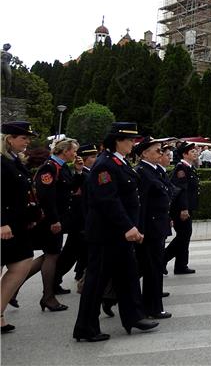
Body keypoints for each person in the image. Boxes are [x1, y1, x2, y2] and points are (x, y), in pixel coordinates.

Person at [73, 122, 158, 342]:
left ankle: (134, 317)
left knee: (128, 275)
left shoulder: (119, 162)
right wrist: (128, 227)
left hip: (119, 233)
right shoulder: (105, 165)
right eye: (129, 140)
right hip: (106, 234)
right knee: (96, 281)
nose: (133, 143)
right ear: (117, 141)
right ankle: (86, 327)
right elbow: (107, 200)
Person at [24, 137, 79, 312]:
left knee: (50, 255)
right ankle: (48, 297)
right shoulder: (50, 167)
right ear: (64, 151)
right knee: (52, 255)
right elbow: (46, 197)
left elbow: (69, 189)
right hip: (50, 220)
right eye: (73, 150)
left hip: (58, 219)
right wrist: (54, 220)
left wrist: (78, 172)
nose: (75, 154)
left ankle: (15, 287)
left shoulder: (62, 167)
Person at [1, 121, 39, 334]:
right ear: (9, 139)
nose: (27, 142)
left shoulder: (14, 161)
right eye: (23, 138)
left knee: (23, 262)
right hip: (4, 223)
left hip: (18, 223)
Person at [134, 137, 173, 319]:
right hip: (149, 227)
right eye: (157, 150)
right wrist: (139, 229)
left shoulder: (154, 170)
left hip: (158, 225)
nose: (161, 153)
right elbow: (140, 205)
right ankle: (153, 308)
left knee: (153, 267)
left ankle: (152, 304)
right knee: (152, 268)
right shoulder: (142, 172)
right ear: (144, 153)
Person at [55, 143, 97, 294]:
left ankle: (79, 274)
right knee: (69, 254)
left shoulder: (87, 174)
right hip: (80, 221)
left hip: (83, 221)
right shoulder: (85, 176)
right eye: (92, 157)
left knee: (80, 252)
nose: (96, 159)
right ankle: (54, 281)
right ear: (84, 160)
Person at [164, 142, 200, 275]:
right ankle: (162, 259)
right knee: (183, 236)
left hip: (186, 208)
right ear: (184, 154)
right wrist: (184, 209)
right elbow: (181, 190)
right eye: (192, 151)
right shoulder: (181, 168)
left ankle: (181, 265)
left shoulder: (189, 167)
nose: (195, 153)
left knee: (184, 236)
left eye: (195, 151)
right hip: (180, 209)